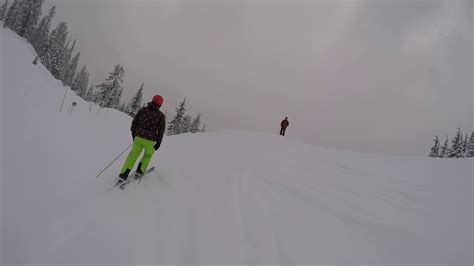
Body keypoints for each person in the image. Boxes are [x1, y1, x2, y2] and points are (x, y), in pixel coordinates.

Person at [118, 95, 166, 183]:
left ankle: (123, 174)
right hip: (150, 141)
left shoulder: (143, 110)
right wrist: (158, 142)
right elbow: (161, 130)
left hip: (139, 137)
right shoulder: (160, 116)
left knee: (132, 155)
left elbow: (134, 122)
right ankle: (139, 172)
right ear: (160, 105)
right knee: (147, 155)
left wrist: (134, 135)